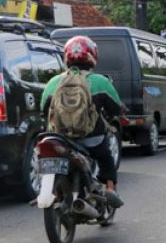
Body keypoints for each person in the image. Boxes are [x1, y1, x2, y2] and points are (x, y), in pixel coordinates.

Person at [40, 36, 124, 208]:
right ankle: (109, 189)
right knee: (106, 157)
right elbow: (116, 110)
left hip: (59, 139)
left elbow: (43, 110)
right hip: (91, 139)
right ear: (93, 56)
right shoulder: (101, 82)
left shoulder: (53, 83)